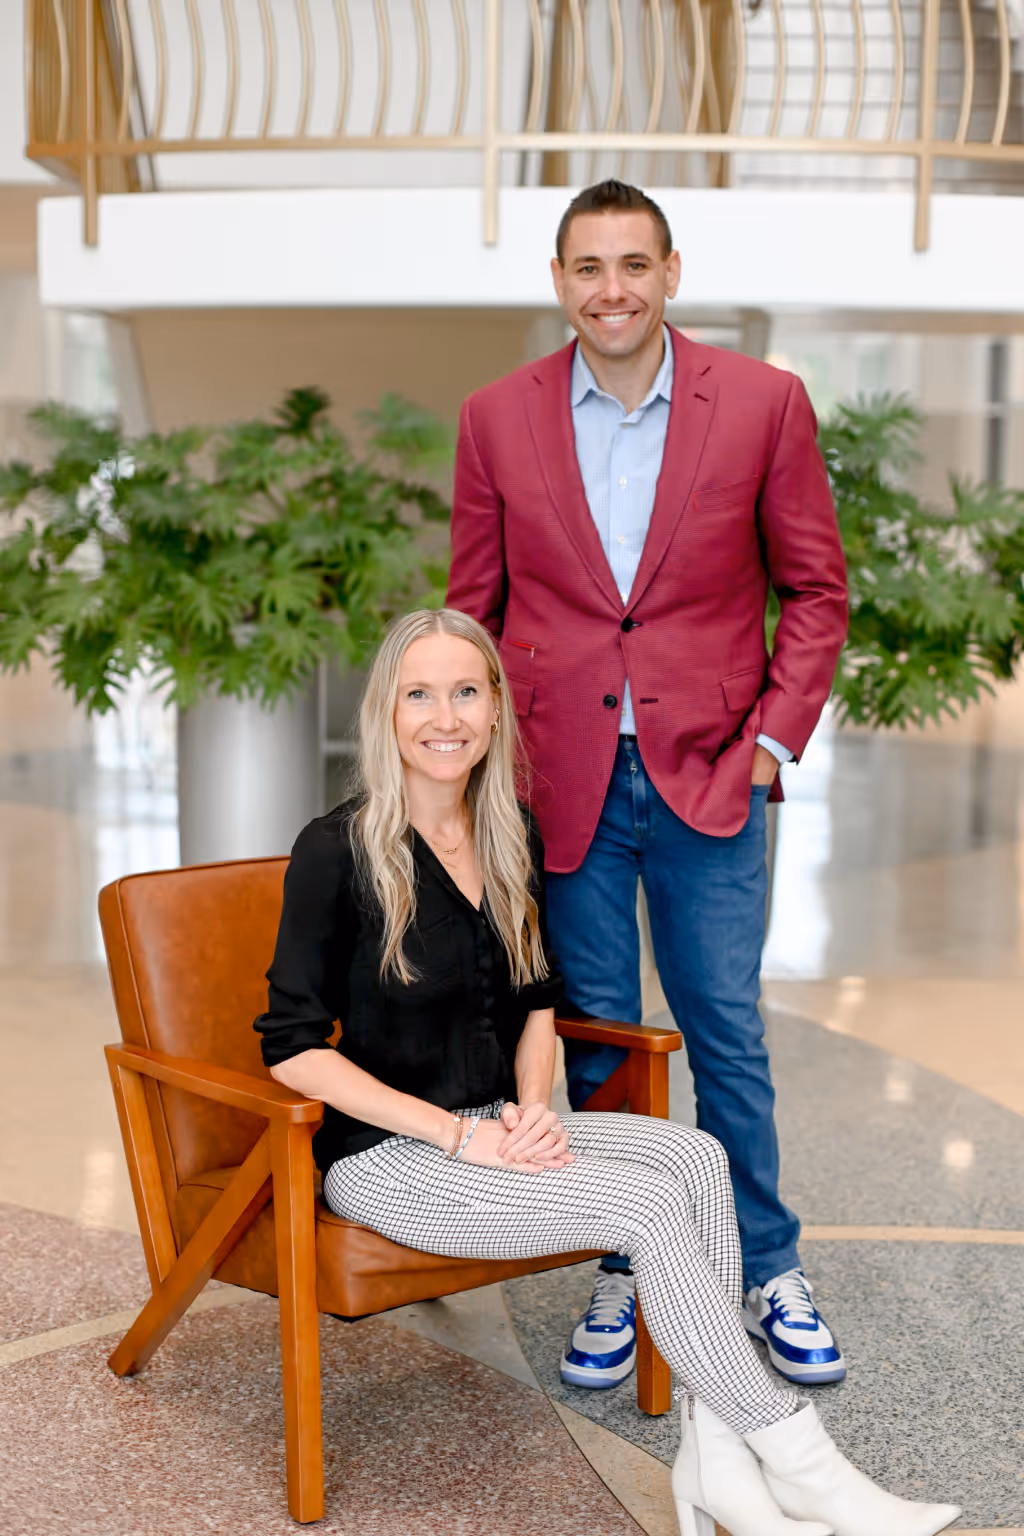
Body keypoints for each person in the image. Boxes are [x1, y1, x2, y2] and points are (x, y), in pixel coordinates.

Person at [253, 607, 957, 1536]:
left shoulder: (508, 834)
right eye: (419, 695)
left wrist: (534, 1110)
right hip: (389, 1159)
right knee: (644, 1206)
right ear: (387, 711)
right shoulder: (335, 850)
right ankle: (803, 1461)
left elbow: (538, 1008)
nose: (445, 717)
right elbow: (294, 1047)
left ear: (497, 710)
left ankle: (715, 1468)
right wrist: (460, 1134)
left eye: (466, 692)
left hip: (498, 1122)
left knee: (698, 1160)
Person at [447, 179, 848, 1393]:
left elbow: (815, 592)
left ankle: (766, 1264)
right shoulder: (495, 418)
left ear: (671, 272)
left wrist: (770, 745)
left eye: (633, 264)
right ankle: (626, 1261)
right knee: (596, 1043)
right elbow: (474, 611)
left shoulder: (764, 406)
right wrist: (471, 772)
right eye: (586, 267)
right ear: (557, 282)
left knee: (724, 1032)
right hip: (556, 780)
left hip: (711, 778)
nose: (609, 289)